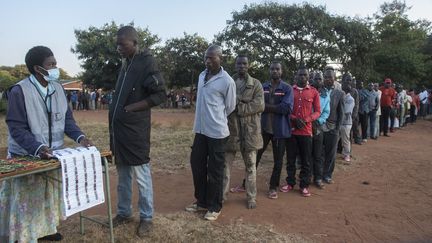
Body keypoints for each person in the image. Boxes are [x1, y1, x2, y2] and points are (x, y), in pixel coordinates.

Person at [0, 46, 92, 242]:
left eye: (55, 64)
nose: (55, 68)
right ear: (37, 69)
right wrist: (37, 148)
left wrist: (80, 138)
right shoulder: (19, 91)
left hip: (52, 155)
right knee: (27, 199)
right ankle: (24, 235)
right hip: (27, 155)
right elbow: (16, 127)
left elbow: (67, 120)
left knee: (46, 196)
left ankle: (46, 230)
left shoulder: (58, 88)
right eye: (51, 64)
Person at [109, 26, 167, 237]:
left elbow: (160, 94)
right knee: (122, 176)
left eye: (122, 44)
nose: (118, 48)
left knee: (142, 177)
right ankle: (124, 213)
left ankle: (146, 217)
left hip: (135, 132)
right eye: (117, 44)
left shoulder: (147, 62)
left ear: (134, 43)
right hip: (120, 133)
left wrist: (132, 108)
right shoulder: (126, 63)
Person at [185, 45, 236, 221]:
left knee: (215, 171)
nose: (208, 61)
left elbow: (230, 107)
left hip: (217, 133)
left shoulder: (227, 81)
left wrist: (215, 118)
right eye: (206, 57)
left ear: (221, 58)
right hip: (200, 130)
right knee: (197, 164)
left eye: (212, 58)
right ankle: (201, 201)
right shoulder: (201, 75)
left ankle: (215, 206)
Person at [229, 61, 293, 200]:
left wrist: (262, 106)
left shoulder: (287, 88)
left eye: (277, 69)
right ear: (269, 71)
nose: (275, 71)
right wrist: (263, 106)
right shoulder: (262, 86)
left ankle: (272, 187)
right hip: (262, 128)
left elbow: (285, 108)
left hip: (279, 130)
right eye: (272, 69)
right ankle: (245, 185)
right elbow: (255, 104)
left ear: (281, 71)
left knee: (278, 161)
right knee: (254, 159)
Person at [222, 55, 264, 209]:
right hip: (231, 131)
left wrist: (238, 106)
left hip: (250, 132)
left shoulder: (256, 84)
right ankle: (222, 196)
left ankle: (251, 197)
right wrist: (244, 101)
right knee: (225, 167)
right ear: (235, 65)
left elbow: (259, 105)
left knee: (251, 167)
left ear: (248, 65)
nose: (241, 66)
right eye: (239, 63)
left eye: (244, 63)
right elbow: (224, 104)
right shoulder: (228, 83)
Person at [280, 66, 320, 197]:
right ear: (296, 76)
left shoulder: (314, 92)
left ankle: (304, 185)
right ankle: (290, 182)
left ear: (308, 77)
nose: (302, 77)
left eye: (305, 75)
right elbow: (286, 108)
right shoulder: (290, 90)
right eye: (300, 75)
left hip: (306, 131)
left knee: (306, 160)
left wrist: (307, 119)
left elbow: (318, 111)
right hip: (291, 131)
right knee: (290, 159)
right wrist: (294, 119)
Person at [322, 69, 345, 184]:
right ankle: (317, 174)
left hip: (333, 126)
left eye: (330, 77)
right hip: (320, 126)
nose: (328, 79)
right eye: (325, 77)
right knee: (318, 153)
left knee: (331, 153)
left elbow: (341, 112)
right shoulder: (318, 91)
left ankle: (327, 175)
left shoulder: (340, 93)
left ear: (334, 79)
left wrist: (337, 129)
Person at [310, 71, 330, 189]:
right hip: (306, 126)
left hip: (318, 127)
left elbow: (326, 111)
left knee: (317, 155)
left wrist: (319, 121)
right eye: (315, 78)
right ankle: (306, 177)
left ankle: (317, 178)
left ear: (322, 81)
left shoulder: (325, 94)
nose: (317, 81)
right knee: (306, 154)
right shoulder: (307, 90)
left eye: (319, 79)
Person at [340, 77, 356, 162]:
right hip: (340, 122)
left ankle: (347, 155)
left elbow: (346, 111)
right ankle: (343, 153)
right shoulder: (342, 97)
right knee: (341, 139)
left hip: (346, 123)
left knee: (346, 140)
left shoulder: (350, 99)